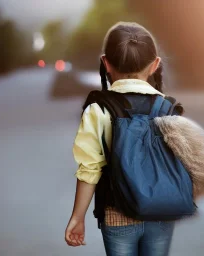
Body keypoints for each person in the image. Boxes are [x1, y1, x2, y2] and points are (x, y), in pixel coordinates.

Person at [65, 21, 176, 256]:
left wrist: (78, 217)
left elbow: (89, 170)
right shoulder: (167, 108)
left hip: (118, 216)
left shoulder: (98, 110)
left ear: (106, 63)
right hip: (161, 213)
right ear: (155, 64)